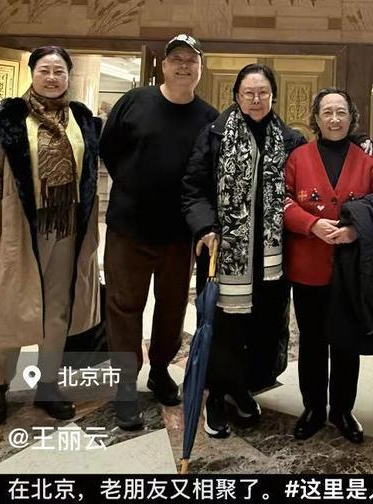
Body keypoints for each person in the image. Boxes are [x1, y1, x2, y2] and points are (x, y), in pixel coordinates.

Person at [100, 34, 218, 430]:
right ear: (164, 66)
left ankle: (160, 369)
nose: (183, 65)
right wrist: (134, 186)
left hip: (178, 235)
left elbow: (209, 175)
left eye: (191, 60)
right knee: (123, 306)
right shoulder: (135, 102)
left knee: (172, 307)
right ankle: (124, 385)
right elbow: (110, 148)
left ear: (200, 68)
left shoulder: (208, 118)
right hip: (129, 229)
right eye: (176, 59)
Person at [182, 63, 306, 439]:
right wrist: (206, 226)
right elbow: (193, 187)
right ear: (236, 96)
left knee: (262, 326)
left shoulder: (290, 140)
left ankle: (242, 387)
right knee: (225, 328)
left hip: (271, 256)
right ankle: (217, 398)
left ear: (273, 96)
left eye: (263, 93)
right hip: (226, 251)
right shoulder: (215, 134)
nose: (255, 99)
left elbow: (302, 184)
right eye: (248, 93)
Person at [0, 46, 101, 425]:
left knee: (58, 307)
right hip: (19, 228)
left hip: (66, 227)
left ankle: (48, 383)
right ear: (32, 73)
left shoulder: (82, 120)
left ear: (68, 76)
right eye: (45, 70)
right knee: (10, 303)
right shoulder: (7, 120)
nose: (52, 78)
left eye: (59, 71)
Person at [284, 88, 373, 443]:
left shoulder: (367, 162)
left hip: (351, 270)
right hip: (307, 268)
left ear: (352, 118)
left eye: (341, 112)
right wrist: (311, 224)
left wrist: (354, 229)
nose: (334, 119)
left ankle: (343, 410)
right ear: (316, 118)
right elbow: (282, 200)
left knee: (347, 342)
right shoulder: (298, 158)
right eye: (327, 112)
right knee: (312, 341)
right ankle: (313, 408)